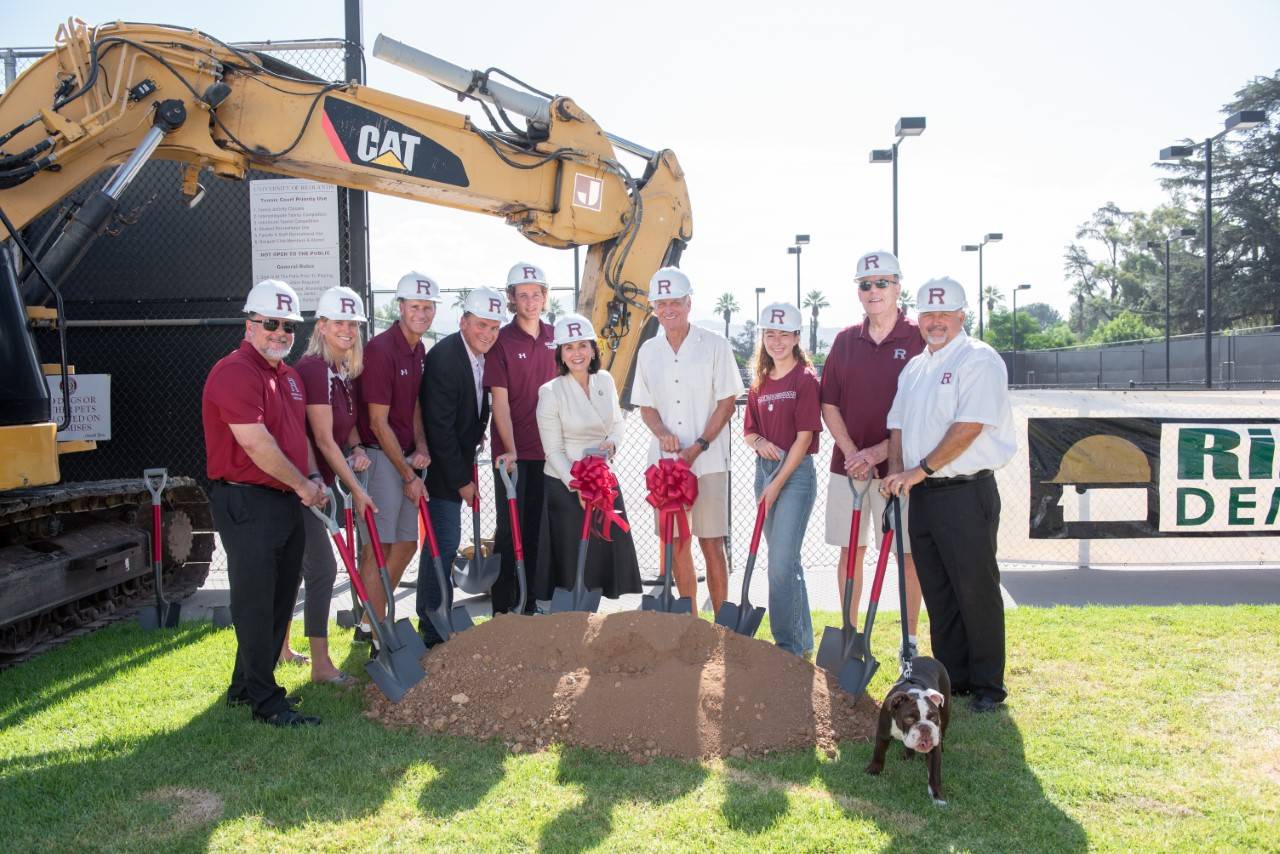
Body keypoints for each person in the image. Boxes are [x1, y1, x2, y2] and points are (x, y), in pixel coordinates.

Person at [881, 277, 1017, 714]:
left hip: (964, 491)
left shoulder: (978, 360)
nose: (935, 321)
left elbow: (969, 427)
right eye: (928, 314)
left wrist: (918, 471)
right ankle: (953, 677)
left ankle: (988, 687)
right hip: (923, 493)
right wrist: (899, 472)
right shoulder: (916, 366)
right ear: (918, 318)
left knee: (974, 588)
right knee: (939, 591)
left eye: (944, 313)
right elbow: (898, 424)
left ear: (962, 315)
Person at [202, 279, 325, 727]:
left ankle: (245, 685)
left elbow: (297, 440)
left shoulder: (288, 378)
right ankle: (267, 702)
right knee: (256, 602)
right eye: (270, 323)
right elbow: (256, 445)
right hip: (247, 500)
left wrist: (310, 477)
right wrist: (303, 485)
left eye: (288, 325)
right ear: (250, 324)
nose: (280, 332)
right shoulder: (234, 371)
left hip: (286, 498)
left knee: (278, 598)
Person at [820, 249, 926, 670]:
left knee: (906, 555)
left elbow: (922, 411)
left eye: (883, 282)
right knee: (850, 552)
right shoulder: (845, 340)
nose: (874, 291)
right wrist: (852, 454)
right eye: (866, 284)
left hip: (900, 471)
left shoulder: (919, 338)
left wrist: (878, 453)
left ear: (899, 287)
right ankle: (849, 636)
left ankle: (910, 642)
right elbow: (829, 404)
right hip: (847, 470)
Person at [632, 267, 744, 615]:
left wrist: (698, 445)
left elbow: (727, 403)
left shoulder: (715, 344)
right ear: (653, 309)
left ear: (689, 303)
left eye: (675, 302)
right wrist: (663, 433)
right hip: (665, 468)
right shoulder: (648, 351)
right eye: (661, 303)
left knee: (711, 542)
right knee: (676, 543)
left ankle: (723, 622)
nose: (669, 309)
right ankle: (691, 622)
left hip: (707, 463)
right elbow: (646, 407)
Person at [279, 285, 375, 687]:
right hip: (303, 485)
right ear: (321, 325)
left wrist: (356, 447)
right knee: (321, 568)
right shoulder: (315, 369)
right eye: (339, 322)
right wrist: (356, 488)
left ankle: (281, 648)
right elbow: (321, 438)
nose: (348, 330)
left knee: (297, 569)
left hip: (320, 484)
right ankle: (321, 666)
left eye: (353, 324)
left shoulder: (340, 370)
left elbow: (343, 426)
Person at [353, 272, 436, 653]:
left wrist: (419, 445)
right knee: (379, 547)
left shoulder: (418, 349)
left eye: (428, 307)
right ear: (399, 307)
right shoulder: (381, 349)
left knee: (405, 545)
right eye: (414, 306)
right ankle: (377, 632)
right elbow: (376, 421)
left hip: (402, 456)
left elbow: (415, 404)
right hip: (378, 455)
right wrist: (407, 474)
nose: (421, 313)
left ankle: (371, 618)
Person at [533, 314, 641, 601]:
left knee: (597, 559)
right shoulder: (550, 392)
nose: (577, 353)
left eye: (583, 345)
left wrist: (613, 444)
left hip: (603, 483)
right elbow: (553, 451)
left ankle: (590, 619)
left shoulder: (604, 380)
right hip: (566, 486)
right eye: (569, 347)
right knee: (571, 559)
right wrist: (579, 486)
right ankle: (568, 620)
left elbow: (617, 422)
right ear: (560, 353)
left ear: (594, 349)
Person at [419, 287, 504, 645]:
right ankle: (432, 621)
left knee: (444, 542)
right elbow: (439, 428)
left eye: (494, 327)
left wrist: (478, 434)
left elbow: (472, 410)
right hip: (441, 469)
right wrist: (462, 481)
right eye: (481, 325)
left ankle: (437, 614)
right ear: (463, 322)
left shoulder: (479, 356)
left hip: (457, 461)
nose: (488, 333)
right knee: (444, 542)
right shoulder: (445, 358)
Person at [742, 302, 821, 656]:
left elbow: (804, 439)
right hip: (765, 472)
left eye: (784, 334)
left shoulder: (804, 379)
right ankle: (802, 642)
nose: (776, 341)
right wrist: (759, 442)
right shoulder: (759, 381)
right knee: (786, 561)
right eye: (770, 334)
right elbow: (749, 432)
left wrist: (776, 484)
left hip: (795, 475)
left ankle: (786, 646)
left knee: (779, 564)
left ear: (796, 338)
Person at [484, 262, 557, 615]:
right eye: (522, 295)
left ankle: (533, 605)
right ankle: (504, 608)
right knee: (511, 530)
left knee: (542, 531)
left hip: (552, 455)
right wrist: (510, 449)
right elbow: (499, 402)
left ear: (545, 297)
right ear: (512, 298)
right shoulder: (502, 341)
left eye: (536, 294)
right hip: (514, 455)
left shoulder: (557, 338)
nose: (530, 301)